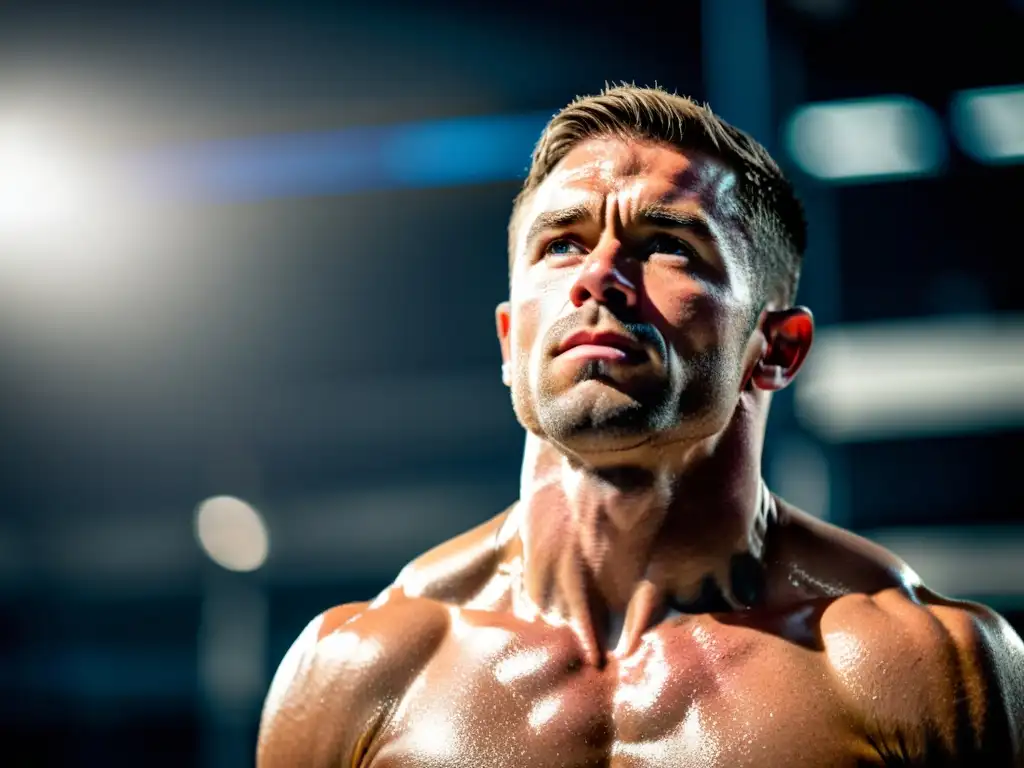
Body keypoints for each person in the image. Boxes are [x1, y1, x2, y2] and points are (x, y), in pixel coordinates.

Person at [257, 85, 1024, 767]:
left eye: (667, 245)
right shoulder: (361, 665)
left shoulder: (920, 664)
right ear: (508, 339)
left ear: (777, 349)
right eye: (563, 244)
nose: (598, 276)